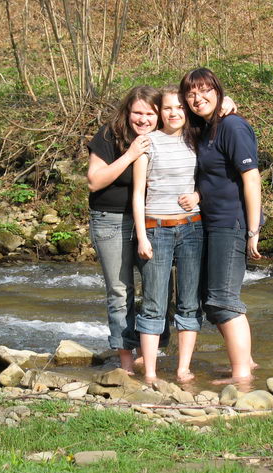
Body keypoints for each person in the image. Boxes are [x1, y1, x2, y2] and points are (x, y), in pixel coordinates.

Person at [87, 85, 236, 375]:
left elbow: (200, 110)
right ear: (127, 112)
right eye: (137, 113)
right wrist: (131, 153)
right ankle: (126, 361)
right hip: (113, 219)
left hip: (157, 220)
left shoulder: (173, 133)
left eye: (149, 114)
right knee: (121, 291)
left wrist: (225, 103)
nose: (143, 119)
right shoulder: (111, 135)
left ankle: (148, 355)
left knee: (160, 290)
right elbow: (94, 181)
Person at [180, 67, 263, 384]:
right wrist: (198, 195)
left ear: (217, 91)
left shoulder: (232, 126)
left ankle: (241, 376)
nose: (198, 98)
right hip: (210, 223)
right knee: (211, 299)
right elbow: (216, 178)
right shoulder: (204, 129)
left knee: (223, 300)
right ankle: (247, 362)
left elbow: (250, 178)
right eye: (191, 93)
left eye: (205, 91)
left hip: (232, 223)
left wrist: (252, 230)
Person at [132, 86, 203, 383]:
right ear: (159, 112)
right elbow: (138, 193)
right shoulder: (148, 142)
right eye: (167, 108)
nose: (174, 113)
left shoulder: (197, 139)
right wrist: (142, 236)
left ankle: (183, 369)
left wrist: (198, 196)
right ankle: (150, 373)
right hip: (156, 228)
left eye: (180, 107)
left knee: (189, 302)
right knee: (154, 303)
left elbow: (212, 178)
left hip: (192, 227)